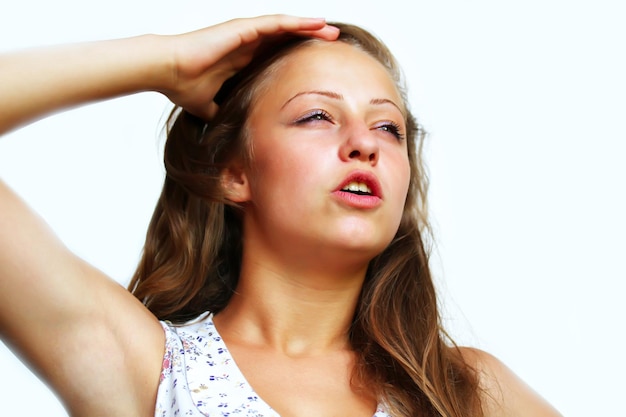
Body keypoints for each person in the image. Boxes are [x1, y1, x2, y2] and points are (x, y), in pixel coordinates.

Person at [0, 14, 561, 417]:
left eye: (388, 128)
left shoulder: (465, 391)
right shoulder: (149, 370)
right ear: (233, 172)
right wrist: (165, 60)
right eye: (317, 116)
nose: (364, 144)